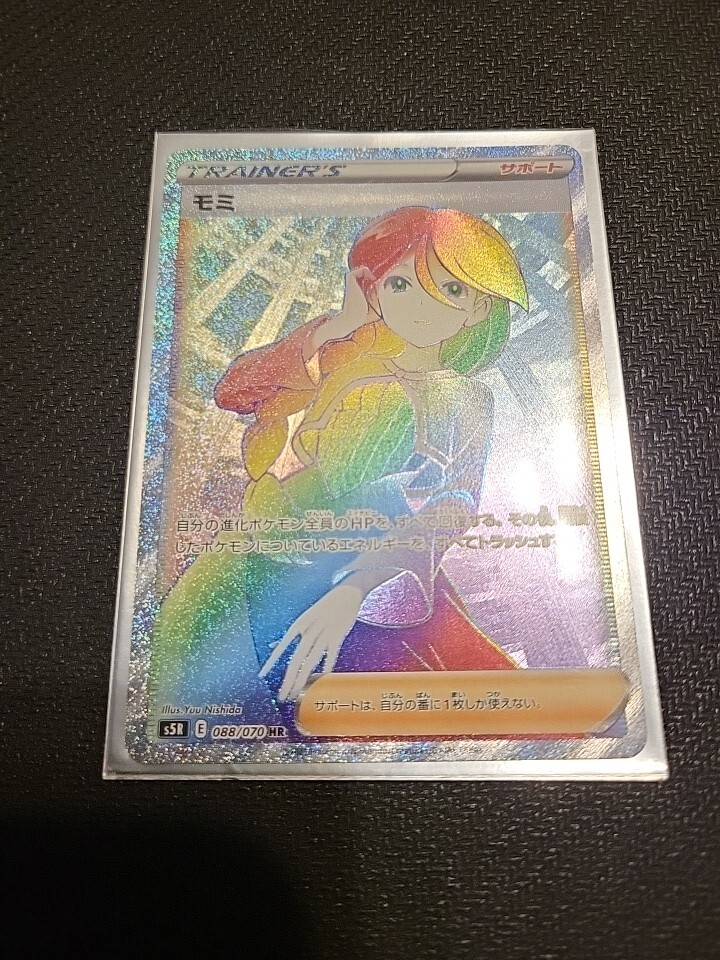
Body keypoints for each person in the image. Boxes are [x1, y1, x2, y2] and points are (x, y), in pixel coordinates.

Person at [149, 206, 528, 729]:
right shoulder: (341, 352)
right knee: (199, 687)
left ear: (479, 307)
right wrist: (336, 328)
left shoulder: (469, 399)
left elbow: (457, 502)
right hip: (266, 543)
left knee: (357, 704)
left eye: (451, 289)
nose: (422, 305)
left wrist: (359, 585)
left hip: (376, 561)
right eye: (400, 284)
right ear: (373, 290)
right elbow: (233, 392)